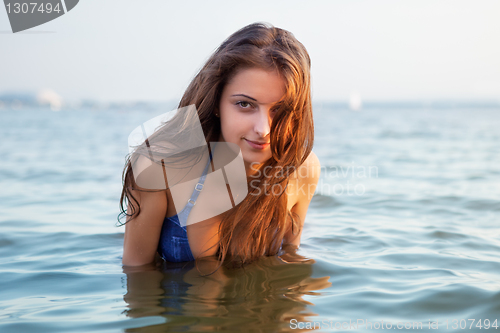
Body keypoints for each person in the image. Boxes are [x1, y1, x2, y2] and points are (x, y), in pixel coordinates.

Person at [118, 22, 321, 268]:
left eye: (279, 109)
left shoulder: (300, 168)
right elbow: (137, 277)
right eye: (245, 104)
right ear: (217, 102)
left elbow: (289, 267)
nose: (263, 129)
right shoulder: (160, 165)